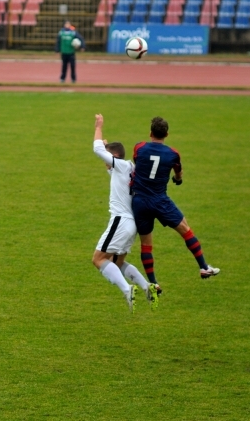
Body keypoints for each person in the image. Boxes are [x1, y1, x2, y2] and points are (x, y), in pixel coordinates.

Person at [131, 117, 220, 290]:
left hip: (140, 201)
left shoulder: (139, 147)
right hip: (160, 200)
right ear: (167, 134)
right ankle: (203, 267)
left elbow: (138, 162)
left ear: (150, 133)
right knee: (186, 230)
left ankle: (153, 282)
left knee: (146, 244)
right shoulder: (172, 154)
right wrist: (177, 180)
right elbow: (178, 173)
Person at [91, 114, 159, 312]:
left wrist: (98, 127)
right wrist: (106, 146)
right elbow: (108, 163)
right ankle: (147, 287)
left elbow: (97, 150)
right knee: (118, 262)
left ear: (114, 156)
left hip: (120, 221)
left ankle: (127, 290)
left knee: (98, 259)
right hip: (132, 224)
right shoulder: (129, 168)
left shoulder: (120, 165)